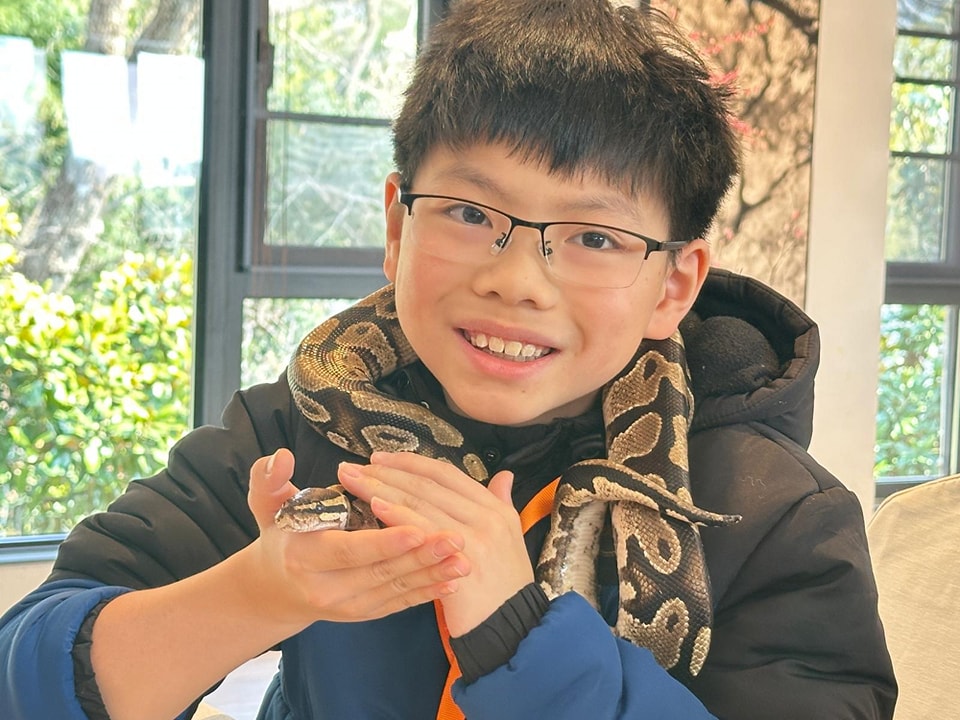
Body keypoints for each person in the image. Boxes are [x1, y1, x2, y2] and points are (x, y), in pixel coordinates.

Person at [0, 1, 896, 718]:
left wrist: (519, 637)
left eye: (593, 236)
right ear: (397, 226)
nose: (517, 281)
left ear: (675, 283)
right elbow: (26, 672)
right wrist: (258, 594)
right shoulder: (292, 431)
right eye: (469, 214)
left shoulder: (780, 516)